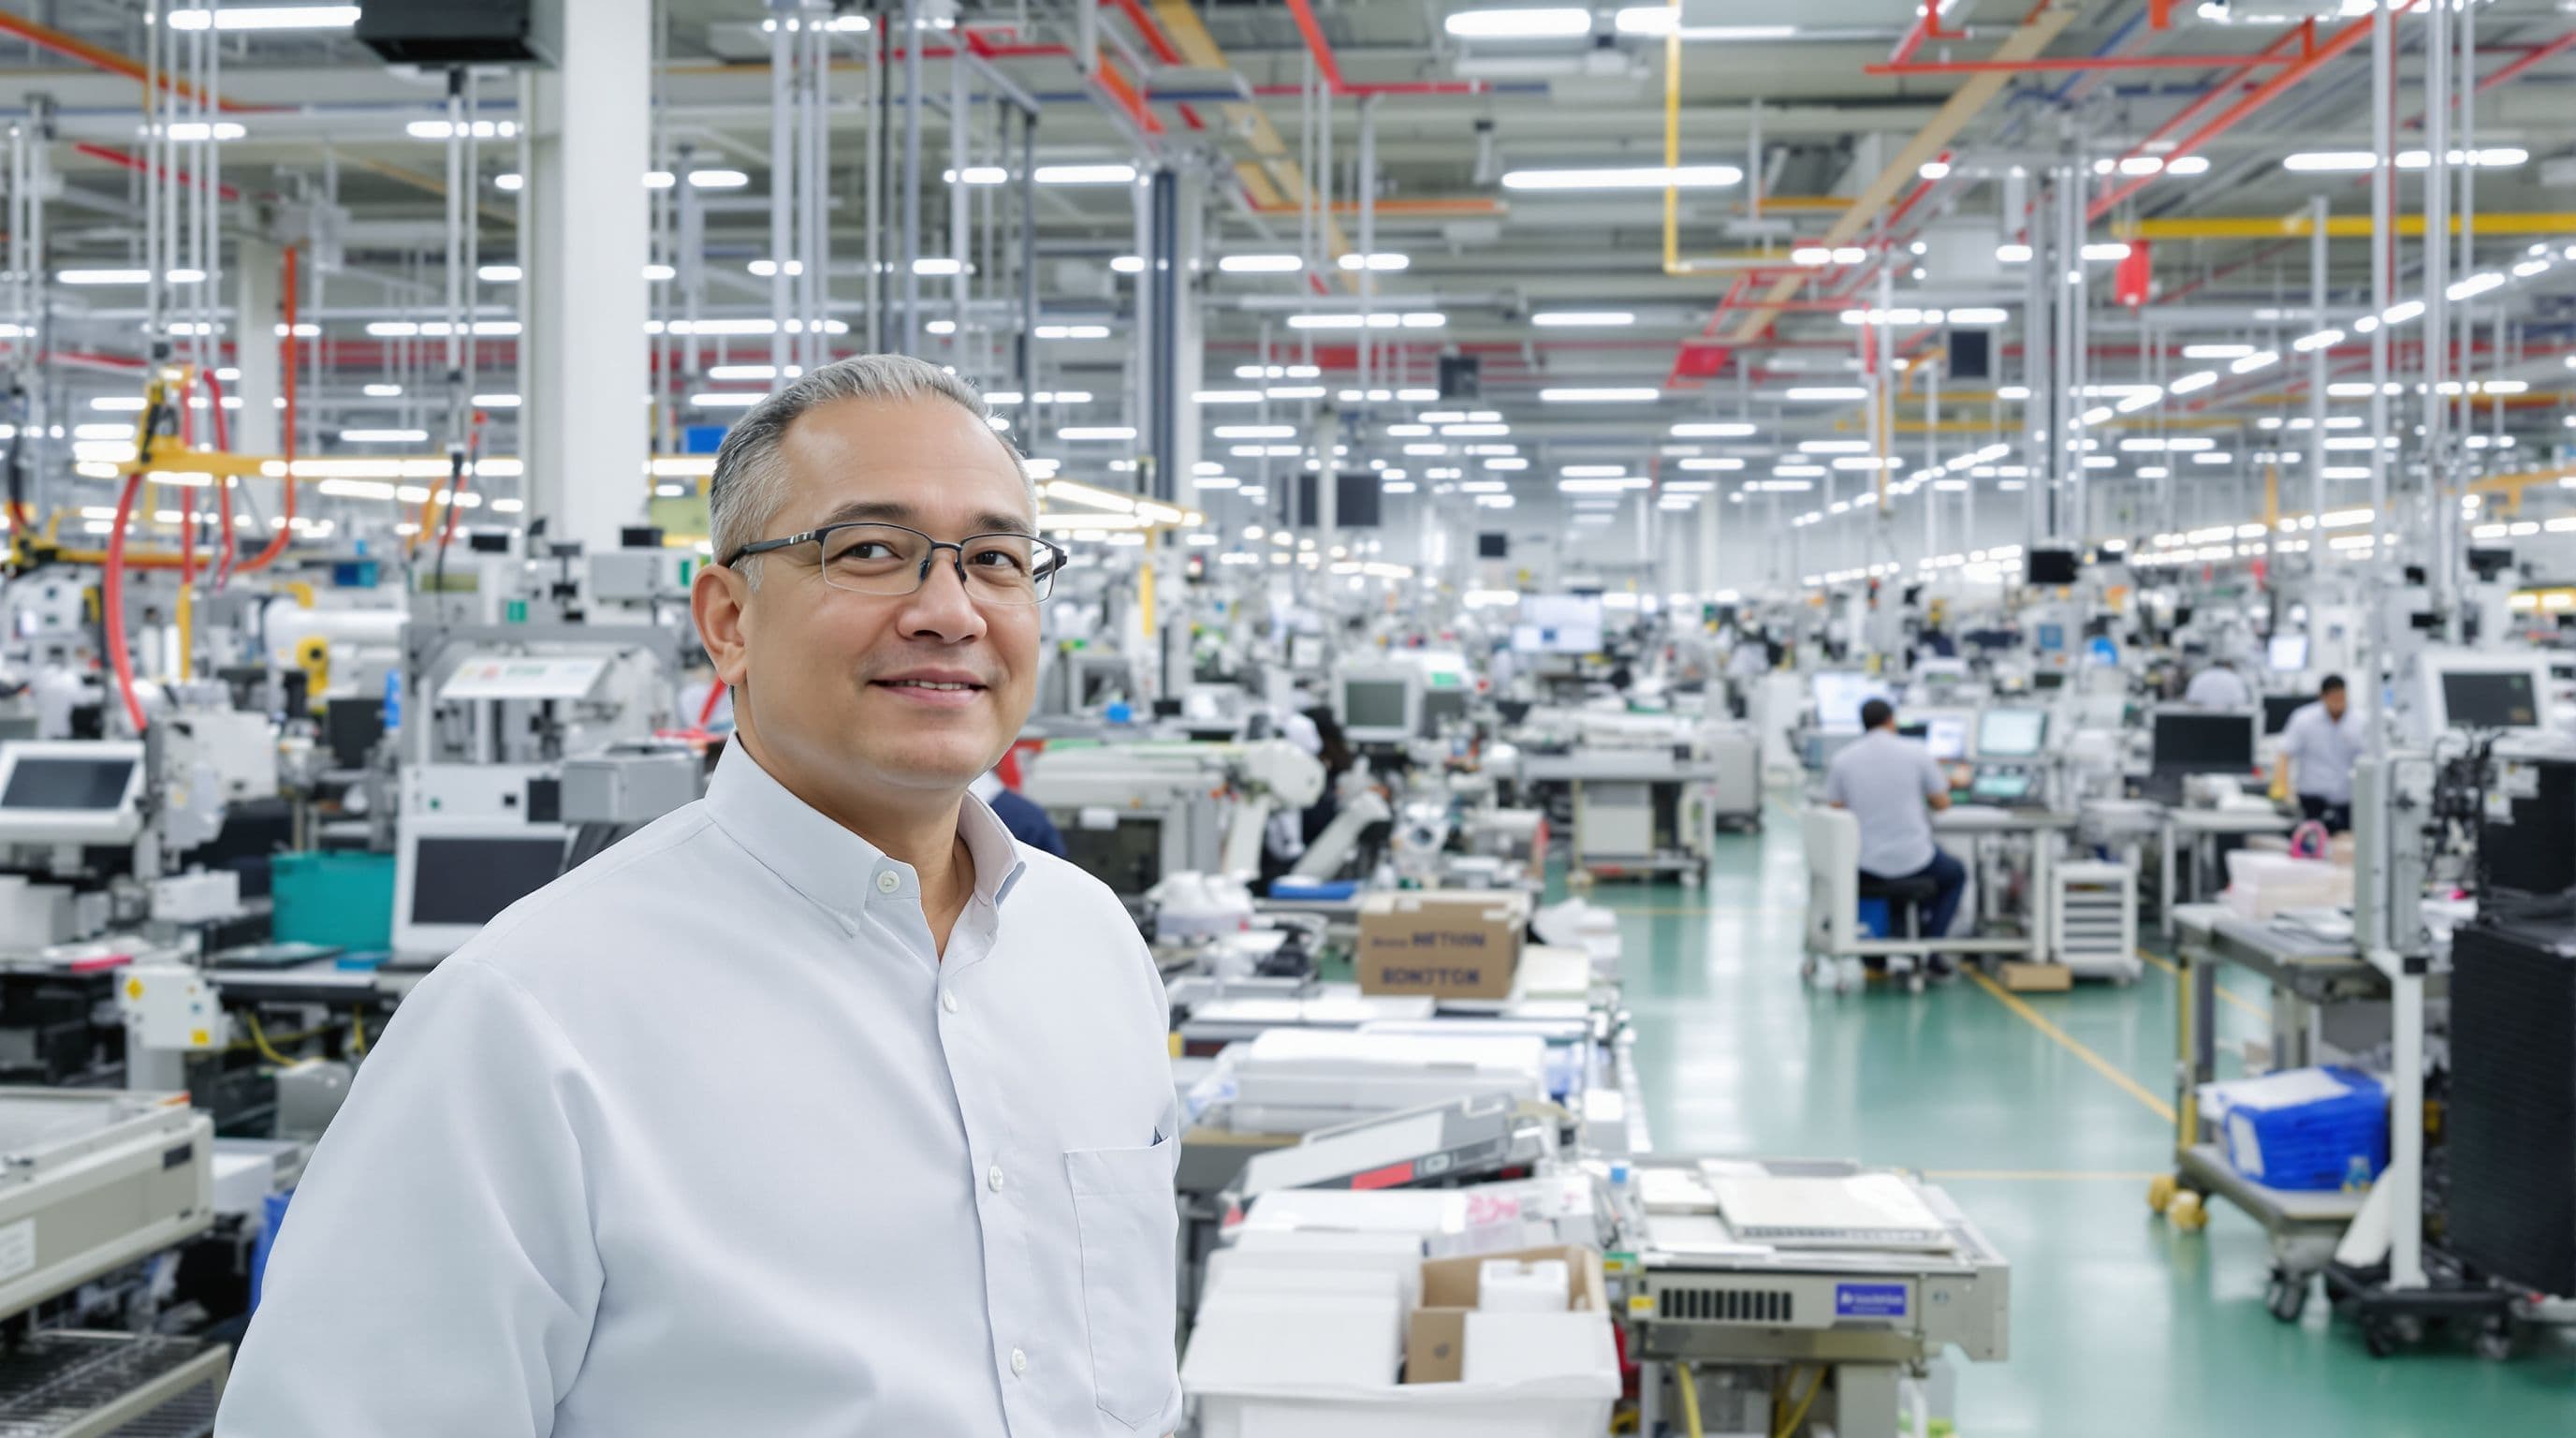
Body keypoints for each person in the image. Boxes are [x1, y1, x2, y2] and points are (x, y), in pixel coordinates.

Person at [219, 356, 1181, 1436]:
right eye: (871, 551)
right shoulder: (528, 1019)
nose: (950, 611)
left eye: (996, 560)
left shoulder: (1088, 944)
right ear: (727, 621)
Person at [1824, 698, 1966, 979]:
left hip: (1864, 863)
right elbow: (1942, 803)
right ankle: (1931, 945)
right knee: (1955, 874)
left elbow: (1836, 812)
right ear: (1892, 721)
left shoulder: (1843, 759)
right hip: (1914, 857)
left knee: (1891, 881)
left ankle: (1883, 951)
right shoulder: (1916, 752)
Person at [2277, 673, 2364, 833]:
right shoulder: (2303, 719)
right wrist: (2284, 791)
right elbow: (2284, 754)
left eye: (2342, 698)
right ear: (2322, 696)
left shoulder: (2360, 720)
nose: (2339, 703)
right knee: (2311, 846)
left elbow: (2367, 760)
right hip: (2312, 799)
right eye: (2334, 699)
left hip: (2346, 799)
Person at [2184, 657, 2253, 710]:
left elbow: (2191, 701)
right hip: (2230, 721)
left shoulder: (2200, 676)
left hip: (2201, 721)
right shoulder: (2233, 677)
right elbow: (2242, 703)